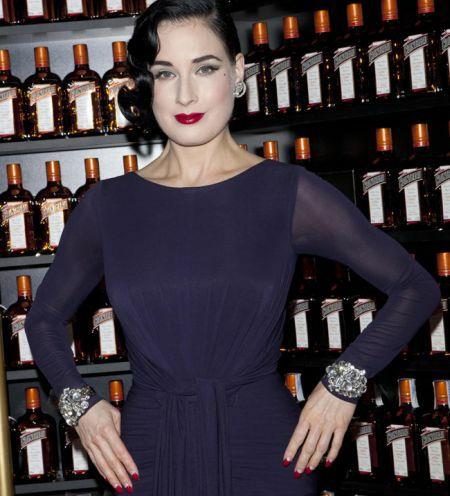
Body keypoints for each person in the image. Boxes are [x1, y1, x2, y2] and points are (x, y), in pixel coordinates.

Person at [24, 1, 441, 495]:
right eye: (166, 73)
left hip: (270, 451)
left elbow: (416, 288)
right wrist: (80, 407)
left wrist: (343, 384)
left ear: (238, 72)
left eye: (205, 68)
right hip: (143, 457)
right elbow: (42, 318)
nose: (185, 94)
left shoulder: (288, 193)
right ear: (148, 84)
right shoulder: (108, 206)